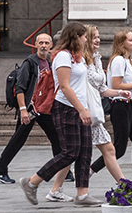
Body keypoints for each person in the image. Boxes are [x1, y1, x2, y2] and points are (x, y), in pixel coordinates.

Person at [20, 22, 101, 207]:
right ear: (75, 37)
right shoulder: (63, 57)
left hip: (80, 107)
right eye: (84, 36)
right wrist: (81, 109)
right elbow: (64, 86)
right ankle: (32, 182)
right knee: (70, 151)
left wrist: (84, 107)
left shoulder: (77, 57)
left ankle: (82, 194)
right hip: (66, 108)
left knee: (85, 151)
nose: (86, 39)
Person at [0, 33, 60, 184]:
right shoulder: (29, 63)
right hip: (31, 108)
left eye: (46, 43)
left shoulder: (49, 62)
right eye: (40, 43)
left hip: (44, 109)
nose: (43, 46)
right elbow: (20, 87)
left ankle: (63, 171)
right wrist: (23, 109)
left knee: (56, 137)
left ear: (50, 46)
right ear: (35, 45)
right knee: (18, 139)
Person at [91, 30, 132, 177]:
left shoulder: (128, 61)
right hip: (121, 105)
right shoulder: (119, 60)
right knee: (119, 147)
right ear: (122, 44)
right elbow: (115, 84)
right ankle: (90, 170)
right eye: (131, 40)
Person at [82, 25, 131, 183]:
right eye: (94, 37)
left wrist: (119, 93)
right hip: (84, 113)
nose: (98, 40)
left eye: (98, 36)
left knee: (110, 149)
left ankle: (123, 184)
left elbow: (102, 89)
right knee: (70, 153)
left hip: (95, 113)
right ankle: (39, 182)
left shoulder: (95, 58)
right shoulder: (80, 60)